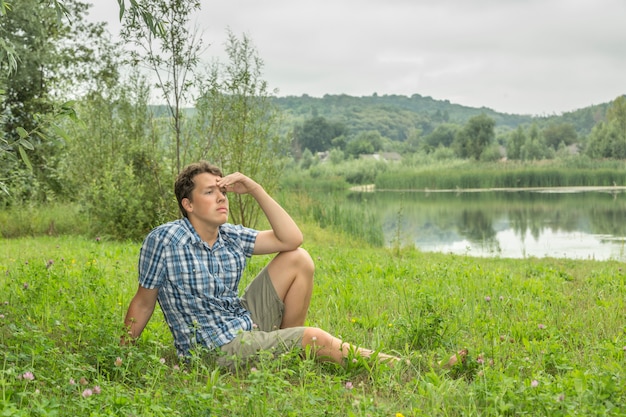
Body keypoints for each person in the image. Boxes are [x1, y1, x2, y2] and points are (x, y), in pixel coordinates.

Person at [121, 161, 400, 368]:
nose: (221, 197)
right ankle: (400, 366)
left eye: (223, 192)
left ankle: (288, 351)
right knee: (314, 338)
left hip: (242, 323)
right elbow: (144, 302)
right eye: (209, 192)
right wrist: (121, 358)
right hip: (212, 349)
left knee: (298, 259)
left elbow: (292, 239)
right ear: (188, 204)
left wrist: (255, 189)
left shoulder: (229, 234)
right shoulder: (165, 240)